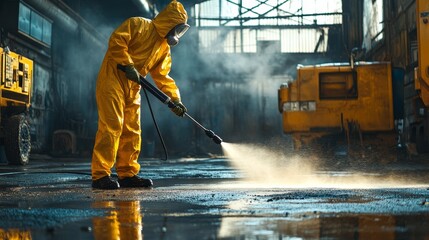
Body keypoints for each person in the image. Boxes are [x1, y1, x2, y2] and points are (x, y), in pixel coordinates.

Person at [91, 0, 189, 190]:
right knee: (112, 126)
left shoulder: (163, 48)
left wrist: (175, 99)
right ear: (169, 22)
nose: (176, 33)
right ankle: (100, 175)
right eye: (176, 28)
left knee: (132, 130)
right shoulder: (138, 24)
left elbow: (162, 76)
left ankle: (127, 174)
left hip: (134, 86)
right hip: (113, 78)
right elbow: (117, 41)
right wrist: (127, 64)